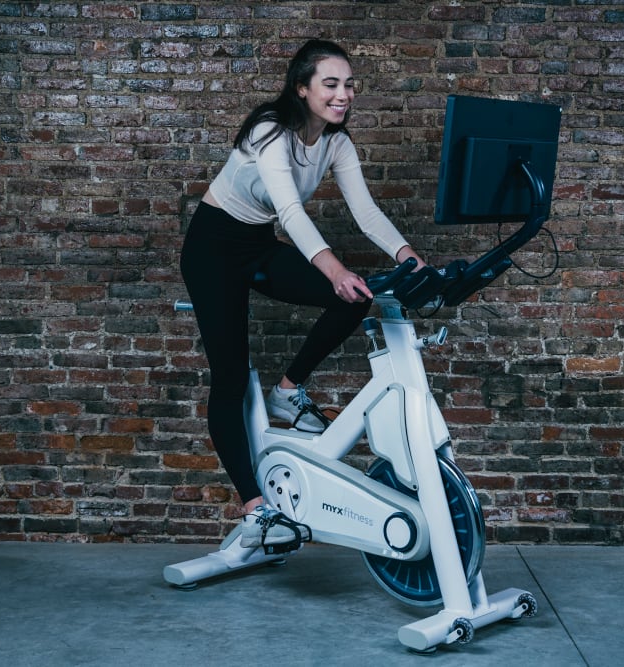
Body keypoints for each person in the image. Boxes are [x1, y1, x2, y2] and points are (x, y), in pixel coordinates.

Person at [178, 39, 426, 548]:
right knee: (228, 375)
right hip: (213, 247)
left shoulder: (337, 143)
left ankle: (287, 393)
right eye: (331, 84)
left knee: (353, 299)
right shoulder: (270, 131)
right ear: (302, 89)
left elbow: (367, 213)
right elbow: (291, 213)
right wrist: (333, 268)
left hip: (257, 244)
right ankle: (254, 508)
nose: (343, 95)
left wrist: (409, 256)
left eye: (349, 85)